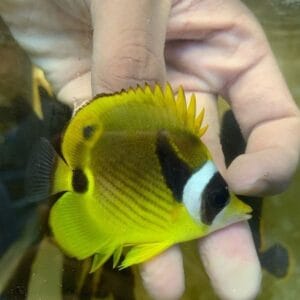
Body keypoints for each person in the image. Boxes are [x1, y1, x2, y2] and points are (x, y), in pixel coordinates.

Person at [1, 1, 299, 299]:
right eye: (219, 198)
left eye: (220, 197)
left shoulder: (193, 156)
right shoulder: (187, 180)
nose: (228, 203)